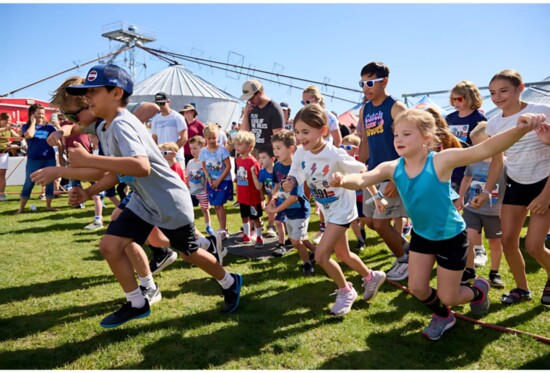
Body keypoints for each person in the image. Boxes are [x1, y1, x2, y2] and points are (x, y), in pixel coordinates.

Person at [330, 108, 546, 340]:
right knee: (418, 287)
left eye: (406, 134)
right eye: (396, 135)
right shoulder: (392, 167)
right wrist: (343, 181)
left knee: (450, 296)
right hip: (422, 236)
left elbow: (486, 149)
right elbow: (363, 178)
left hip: (451, 237)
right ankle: (444, 316)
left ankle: (478, 291)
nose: (399, 140)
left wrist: (522, 127)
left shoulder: (441, 160)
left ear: (426, 139)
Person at [64, 64, 242, 328]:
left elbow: (141, 167)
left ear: (116, 93)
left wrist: (89, 159)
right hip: (142, 199)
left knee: (188, 253)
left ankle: (229, 281)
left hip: (167, 199)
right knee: (109, 246)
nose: (87, 98)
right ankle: (137, 302)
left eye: (93, 91)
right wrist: (89, 191)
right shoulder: (105, 128)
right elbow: (119, 171)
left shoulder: (123, 124)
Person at [282, 104, 386, 317]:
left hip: (342, 210)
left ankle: (346, 291)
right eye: (297, 132)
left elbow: (362, 172)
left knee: (320, 256)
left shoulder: (335, 155)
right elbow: (296, 172)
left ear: (323, 131)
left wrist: (376, 197)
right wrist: (290, 181)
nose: (300, 137)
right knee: (343, 253)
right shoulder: (302, 153)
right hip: (328, 209)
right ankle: (371, 277)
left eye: (306, 132)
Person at [471, 69, 550, 307]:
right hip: (516, 184)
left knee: (534, 246)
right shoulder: (493, 124)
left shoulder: (543, 112)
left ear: (520, 88)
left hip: (544, 182)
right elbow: (498, 159)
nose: (497, 97)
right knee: (507, 241)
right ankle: (521, 289)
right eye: (493, 93)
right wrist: (486, 191)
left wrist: (546, 195)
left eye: (503, 91)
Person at [356, 61, 410, 281]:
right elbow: (365, 141)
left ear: (384, 81)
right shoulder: (364, 109)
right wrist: (360, 168)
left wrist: (397, 178)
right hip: (373, 173)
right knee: (369, 222)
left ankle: (404, 261)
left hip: (393, 173)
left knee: (380, 224)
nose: (365, 87)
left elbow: (410, 143)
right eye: (362, 83)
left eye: (370, 82)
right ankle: (408, 251)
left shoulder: (396, 107)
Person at [456, 122, 505, 289]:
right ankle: (469, 270)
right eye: (475, 145)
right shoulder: (473, 161)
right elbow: (466, 179)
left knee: (495, 243)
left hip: (495, 212)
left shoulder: (505, 163)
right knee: (468, 238)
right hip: (473, 209)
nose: (477, 149)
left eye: (481, 145)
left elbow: (510, 187)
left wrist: (504, 209)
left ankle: (494, 272)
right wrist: (460, 197)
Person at [267, 130, 316, 274]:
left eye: (279, 148)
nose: (275, 151)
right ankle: (317, 252)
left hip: (300, 210)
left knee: (295, 241)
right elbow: (276, 185)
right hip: (288, 210)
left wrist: (276, 210)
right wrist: (273, 198)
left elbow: (294, 197)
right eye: (274, 148)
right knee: (300, 237)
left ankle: (307, 264)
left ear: (291, 149)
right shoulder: (277, 166)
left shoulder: (297, 168)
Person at [16, 104, 58, 214]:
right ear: (32, 114)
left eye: (43, 113)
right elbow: (29, 135)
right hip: (33, 159)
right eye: (39, 113)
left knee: (50, 183)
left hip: (49, 158)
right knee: (29, 183)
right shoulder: (26, 127)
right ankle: (21, 208)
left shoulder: (49, 128)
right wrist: (33, 122)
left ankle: (48, 206)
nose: (42, 115)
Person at [199, 123, 233, 238]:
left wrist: (218, 180)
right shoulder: (203, 151)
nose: (212, 140)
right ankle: (222, 228)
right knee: (215, 205)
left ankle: (223, 229)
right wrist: (208, 178)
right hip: (211, 181)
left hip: (222, 181)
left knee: (219, 205)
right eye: (209, 138)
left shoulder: (222, 151)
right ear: (205, 138)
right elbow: (203, 165)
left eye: (214, 138)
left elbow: (228, 166)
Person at [234, 131, 264, 248]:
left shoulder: (254, 162)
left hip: (252, 196)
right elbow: (240, 173)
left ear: (249, 147)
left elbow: (259, 181)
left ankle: (259, 237)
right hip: (242, 195)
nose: (237, 147)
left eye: (239, 144)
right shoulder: (238, 160)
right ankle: (246, 235)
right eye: (236, 144)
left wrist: (261, 197)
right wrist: (237, 177)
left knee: (255, 217)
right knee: (244, 216)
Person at [239, 79, 284, 158]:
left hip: (268, 157)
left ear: (259, 93)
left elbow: (279, 139)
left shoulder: (274, 109)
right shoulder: (251, 108)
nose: (249, 101)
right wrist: (246, 115)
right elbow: (245, 135)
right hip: (252, 154)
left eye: (251, 98)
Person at [340, 134, 368, 251]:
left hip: (360, 195)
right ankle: (360, 239)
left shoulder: (359, 162)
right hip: (348, 196)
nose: (344, 150)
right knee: (352, 219)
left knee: (363, 217)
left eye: (348, 148)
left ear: (356, 149)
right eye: (342, 147)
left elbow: (365, 175)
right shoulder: (340, 161)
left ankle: (362, 228)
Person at [150, 92, 188, 169]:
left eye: (162, 103)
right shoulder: (155, 120)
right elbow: (154, 139)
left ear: (168, 102)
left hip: (176, 157)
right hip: (162, 158)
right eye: (158, 104)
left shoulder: (177, 117)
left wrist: (171, 151)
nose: (160, 106)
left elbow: (184, 137)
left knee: (178, 179)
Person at [186, 135, 214, 235]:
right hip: (191, 191)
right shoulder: (190, 162)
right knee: (189, 210)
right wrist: (186, 187)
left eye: (195, 148)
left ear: (202, 148)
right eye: (191, 148)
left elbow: (207, 177)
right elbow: (187, 176)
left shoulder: (205, 162)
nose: (192, 151)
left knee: (205, 209)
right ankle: (192, 227)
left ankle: (208, 226)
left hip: (202, 191)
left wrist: (206, 190)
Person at [253, 149, 277, 238]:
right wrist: (253, 174)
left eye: (264, 158)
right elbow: (259, 186)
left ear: (272, 159)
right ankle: (271, 225)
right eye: (259, 158)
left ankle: (275, 226)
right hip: (270, 194)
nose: (260, 160)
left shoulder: (277, 170)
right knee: (270, 208)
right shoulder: (263, 172)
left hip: (281, 195)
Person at [0, 113, 22, 201]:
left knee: (2, 173)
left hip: (4, 153)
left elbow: (18, 138)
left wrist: (20, 131)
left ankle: (1, 193)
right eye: (6, 120)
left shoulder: (9, 129)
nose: (8, 122)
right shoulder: (5, 128)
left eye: (9, 120)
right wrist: (6, 128)